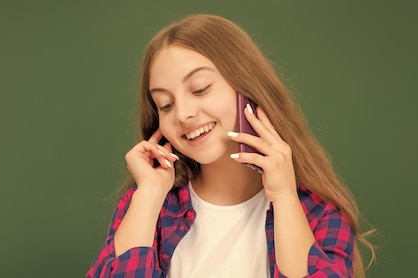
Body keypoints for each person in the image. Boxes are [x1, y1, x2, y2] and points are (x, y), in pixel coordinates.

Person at [86, 14, 375, 278]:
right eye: (166, 104)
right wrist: (148, 193)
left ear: (246, 87)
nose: (183, 113)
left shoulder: (320, 209)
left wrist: (284, 197)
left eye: (200, 88)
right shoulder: (147, 206)